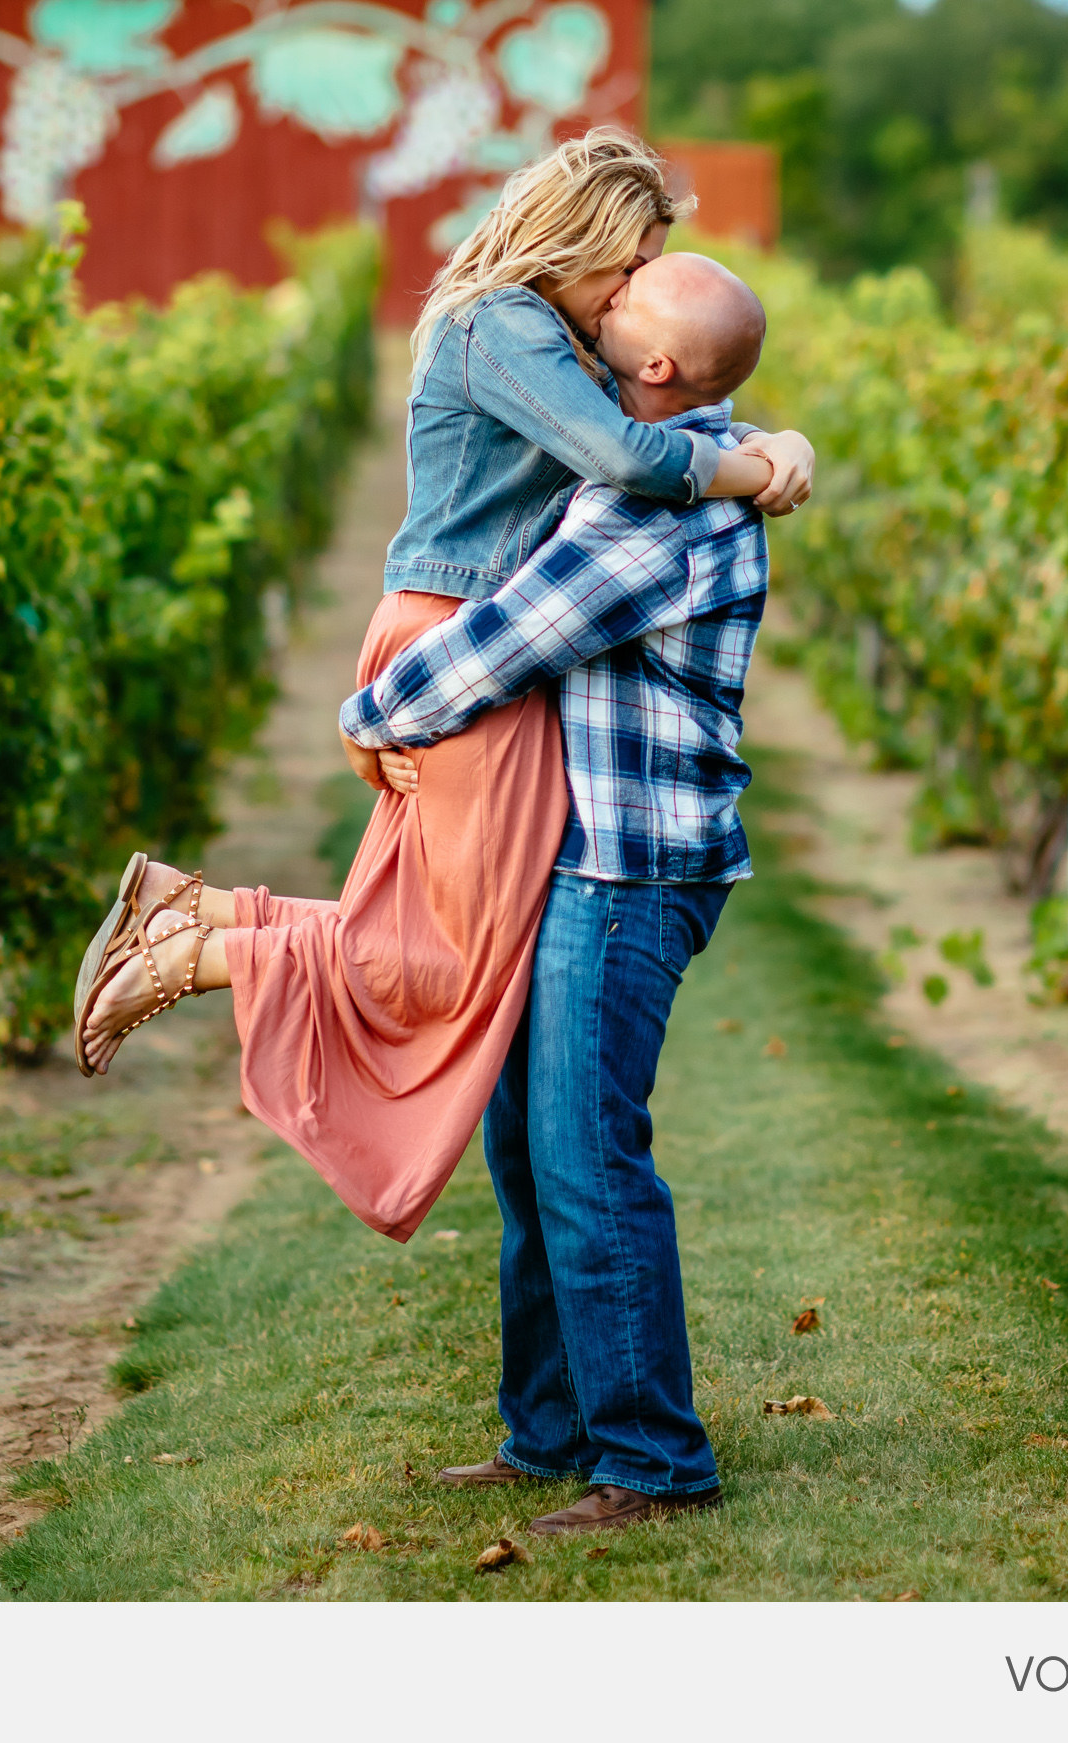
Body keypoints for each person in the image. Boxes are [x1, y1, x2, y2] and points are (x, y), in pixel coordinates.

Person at [72, 131, 812, 1249]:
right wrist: (757, 464)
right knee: (454, 954)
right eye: (629, 268)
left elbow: (667, 398)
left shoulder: (539, 330)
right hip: (458, 636)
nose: (630, 298)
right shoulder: (503, 322)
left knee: (456, 935)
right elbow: (623, 455)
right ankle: (197, 952)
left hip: (465, 630)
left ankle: (203, 916)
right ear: (581, 245)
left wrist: (763, 428)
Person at [337, 250, 770, 1535]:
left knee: (586, 1159)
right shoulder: (660, 466)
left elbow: (501, 646)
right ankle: (550, 1430)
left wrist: (370, 711)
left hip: (626, 872)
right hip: (583, 859)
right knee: (529, 1152)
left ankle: (653, 1463)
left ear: (650, 368)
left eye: (617, 305)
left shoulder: (653, 515)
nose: (590, 308)